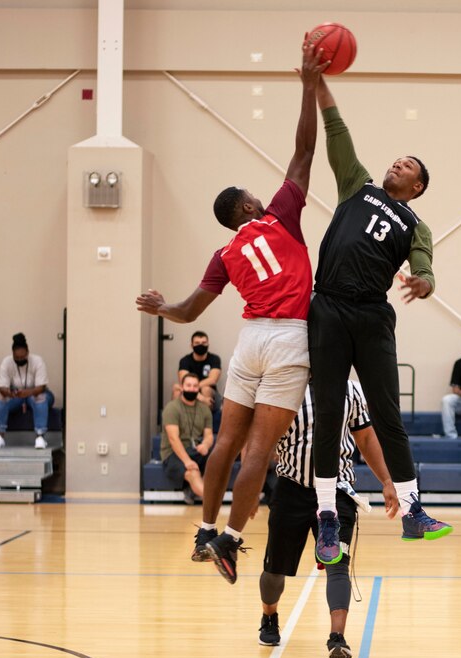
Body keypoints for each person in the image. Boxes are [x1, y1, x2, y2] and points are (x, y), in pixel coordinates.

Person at [137, 43, 327, 584]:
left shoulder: (225, 255)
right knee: (261, 452)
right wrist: (309, 86)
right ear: (247, 207)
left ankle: (203, 529)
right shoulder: (281, 219)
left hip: (249, 340)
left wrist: (159, 307)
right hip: (290, 339)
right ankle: (231, 540)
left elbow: (187, 309)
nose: (261, 199)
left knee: (226, 442)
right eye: (253, 196)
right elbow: (305, 151)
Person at [305, 63, 452, 564]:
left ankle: (414, 512)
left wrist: (420, 283)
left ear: (418, 186)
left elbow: (428, 273)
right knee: (329, 414)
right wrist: (316, 79)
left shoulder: (416, 225)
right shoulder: (357, 185)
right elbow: (336, 130)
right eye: (396, 159)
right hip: (326, 306)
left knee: (389, 416)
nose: (397, 164)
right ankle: (327, 517)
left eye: (408, 164)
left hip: (371, 316)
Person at [257, 380, 398, 658]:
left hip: (338, 491)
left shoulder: (352, 389)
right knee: (274, 571)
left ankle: (338, 638)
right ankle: (269, 616)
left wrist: (386, 480)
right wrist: (253, 488)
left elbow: (366, 438)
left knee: (338, 566)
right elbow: (261, 443)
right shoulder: (287, 385)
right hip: (292, 488)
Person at [0, 333, 53, 450]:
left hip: (35, 393)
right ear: (12, 354)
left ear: (28, 352)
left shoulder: (38, 361)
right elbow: (2, 388)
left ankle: (40, 437)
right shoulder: (6, 362)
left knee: (40, 397)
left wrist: (27, 393)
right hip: (16, 395)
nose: (19, 360)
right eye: (16, 358)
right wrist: (10, 393)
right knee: (0, 398)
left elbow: (41, 387)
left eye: (22, 357)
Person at [161, 374, 214, 505]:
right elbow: (173, 439)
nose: (191, 389)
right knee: (193, 472)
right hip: (174, 453)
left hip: (195, 449)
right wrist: (187, 461)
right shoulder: (172, 408)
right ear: (181, 387)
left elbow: (209, 435)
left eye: (195, 386)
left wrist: (206, 445)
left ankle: (191, 490)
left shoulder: (204, 409)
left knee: (216, 461)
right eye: (188, 385)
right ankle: (213, 504)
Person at [174, 331, 222, 410]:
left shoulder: (214, 359)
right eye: (197, 343)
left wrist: (193, 388)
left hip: (210, 393)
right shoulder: (185, 360)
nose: (200, 345)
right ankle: (176, 420)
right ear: (191, 345)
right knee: (176, 388)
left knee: (205, 389)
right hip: (189, 390)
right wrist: (200, 396)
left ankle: (205, 420)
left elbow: (213, 380)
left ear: (208, 344)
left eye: (204, 343)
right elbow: (183, 380)